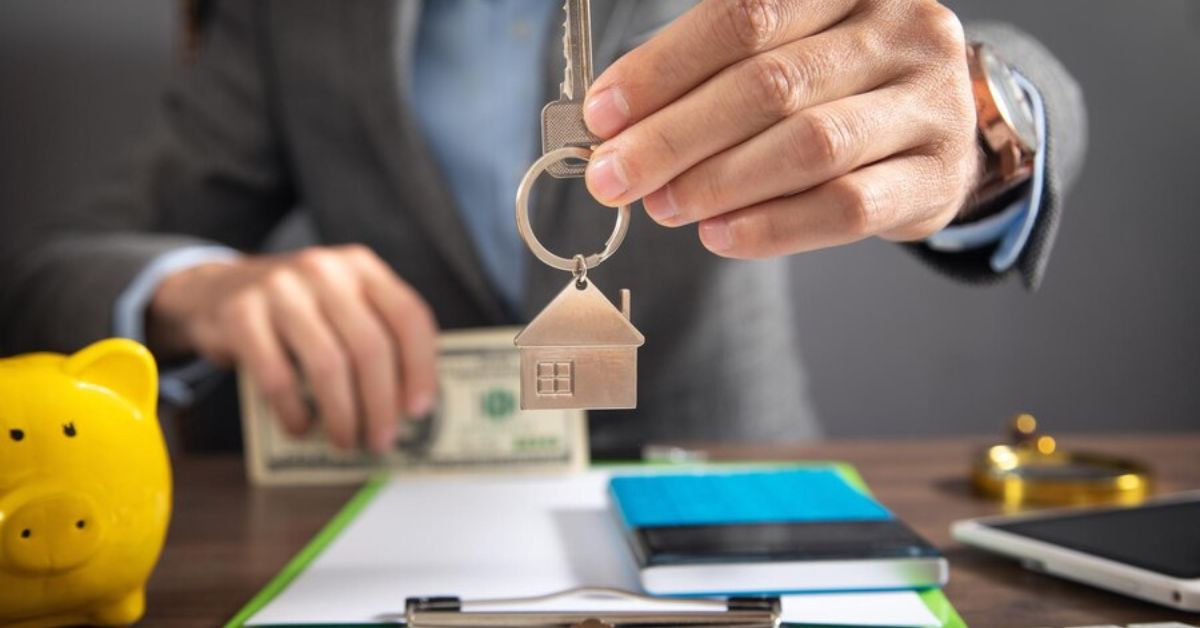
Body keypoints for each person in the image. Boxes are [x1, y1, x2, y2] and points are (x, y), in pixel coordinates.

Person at [0, 0, 1086, 457]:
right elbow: (58, 268)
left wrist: (984, 125)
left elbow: (947, 42)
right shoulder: (292, 14)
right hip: (418, 513)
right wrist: (200, 288)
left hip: (736, 492)